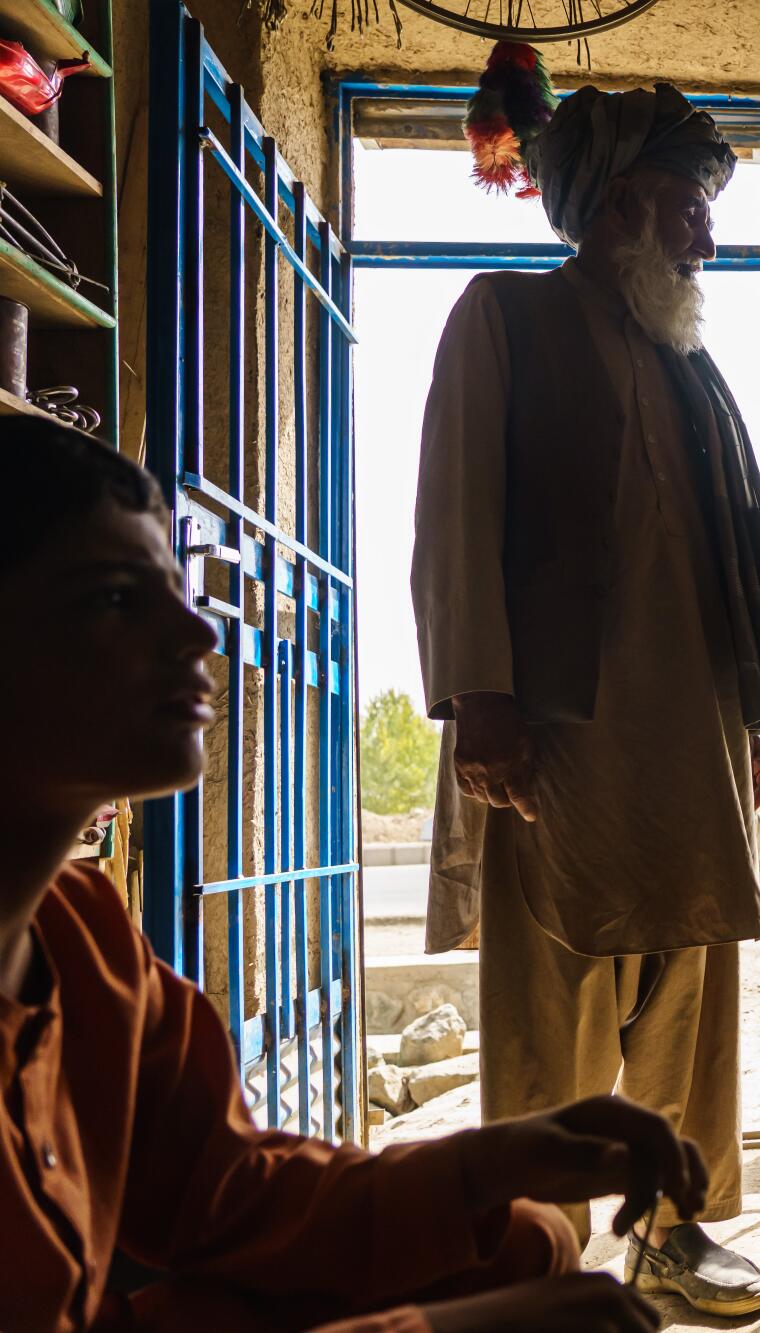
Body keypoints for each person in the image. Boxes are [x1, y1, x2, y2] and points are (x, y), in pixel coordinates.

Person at [0, 419, 707, 1333]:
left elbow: (228, 1194)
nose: (196, 627)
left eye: (176, 589)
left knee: (518, 1240)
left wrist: (490, 1163)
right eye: (112, 599)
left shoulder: (84, 939)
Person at [412, 80, 760, 1316]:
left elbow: (724, 557)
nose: (706, 236)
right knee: (553, 991)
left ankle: (676, 1222)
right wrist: (477, 699)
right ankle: (529, 1247)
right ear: (618, 206)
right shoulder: (503, 317)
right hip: (554, 730)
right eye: (690, 208)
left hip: (692, 727)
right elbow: (452, 512)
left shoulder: (685, 361)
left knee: (692, 979)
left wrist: (749, 728)